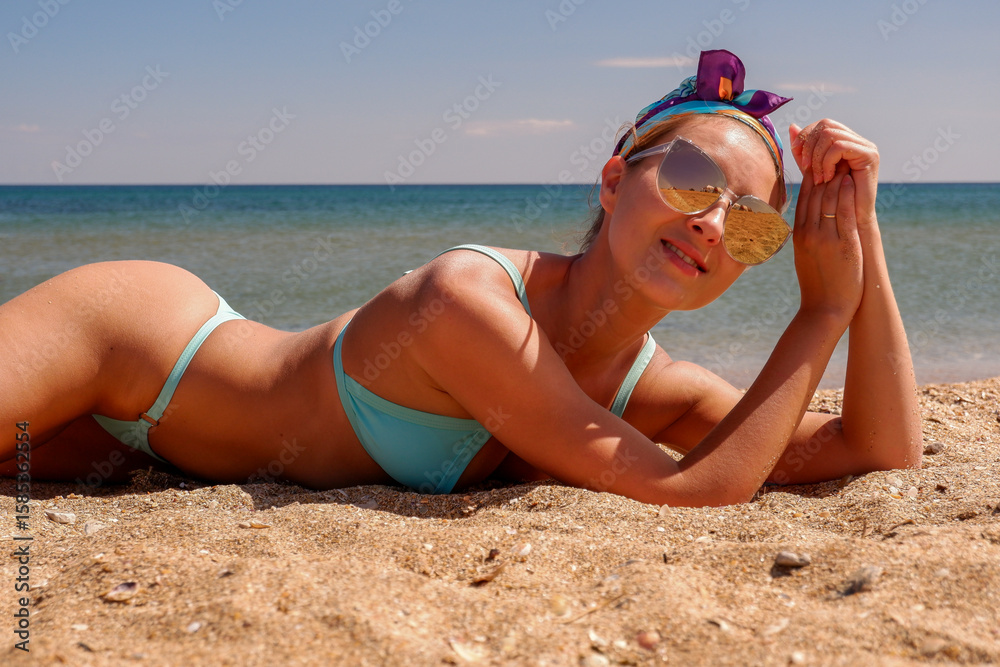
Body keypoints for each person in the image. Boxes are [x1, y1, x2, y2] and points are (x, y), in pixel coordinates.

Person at [0, 50, 921, 507]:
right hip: (137, 339)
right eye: (690, 178)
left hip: (147, 453)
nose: (713, 223)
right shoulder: (468, 301)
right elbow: (695, 492)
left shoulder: (647, 387)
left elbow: (880, 450)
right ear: (614, 181)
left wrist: (862, 240)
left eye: (754, 224)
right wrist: (821, 310)